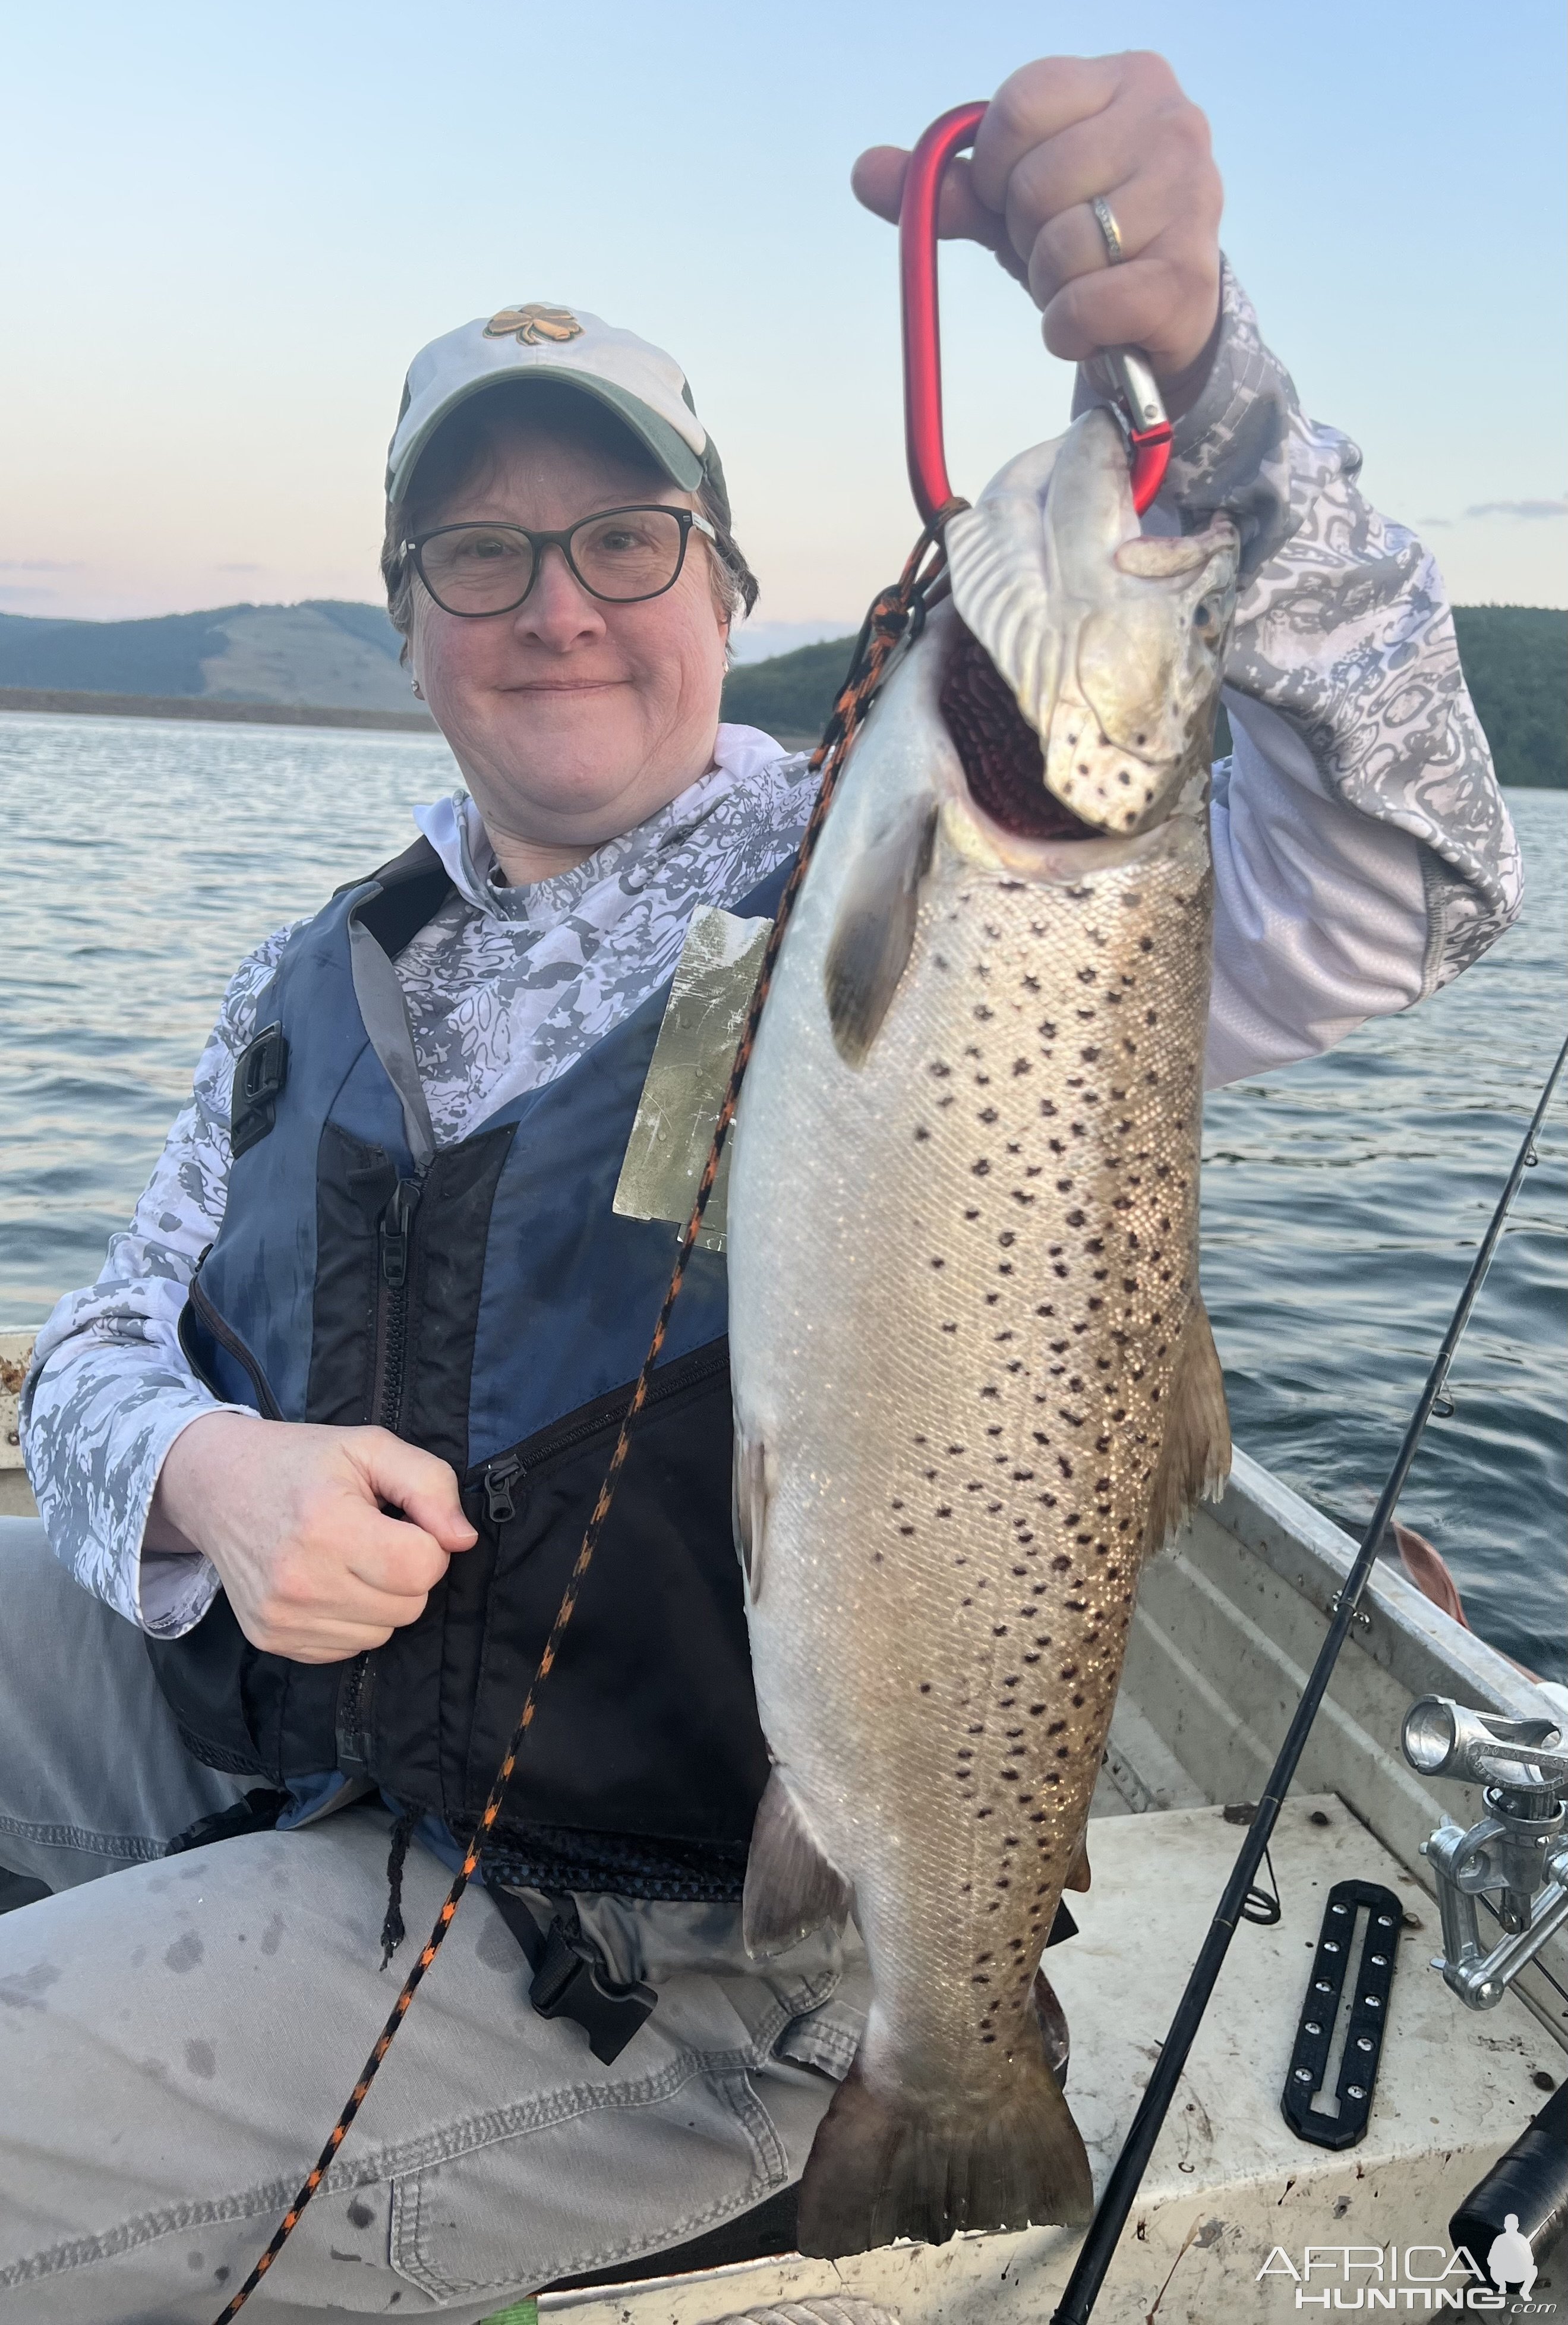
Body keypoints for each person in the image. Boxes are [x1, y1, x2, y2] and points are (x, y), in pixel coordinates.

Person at [0, 50, 1519, 2325]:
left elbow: (1408, 877)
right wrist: (211, 1471)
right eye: (482, 555)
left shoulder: (919, 875)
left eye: (623, 540)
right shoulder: (312, 972)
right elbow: (98, 1353)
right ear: (406, 614)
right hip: (316, 1743)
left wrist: (1208, 376)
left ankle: (885, 2091)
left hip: (652, 1937)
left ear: (721, 574)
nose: (560, 606)